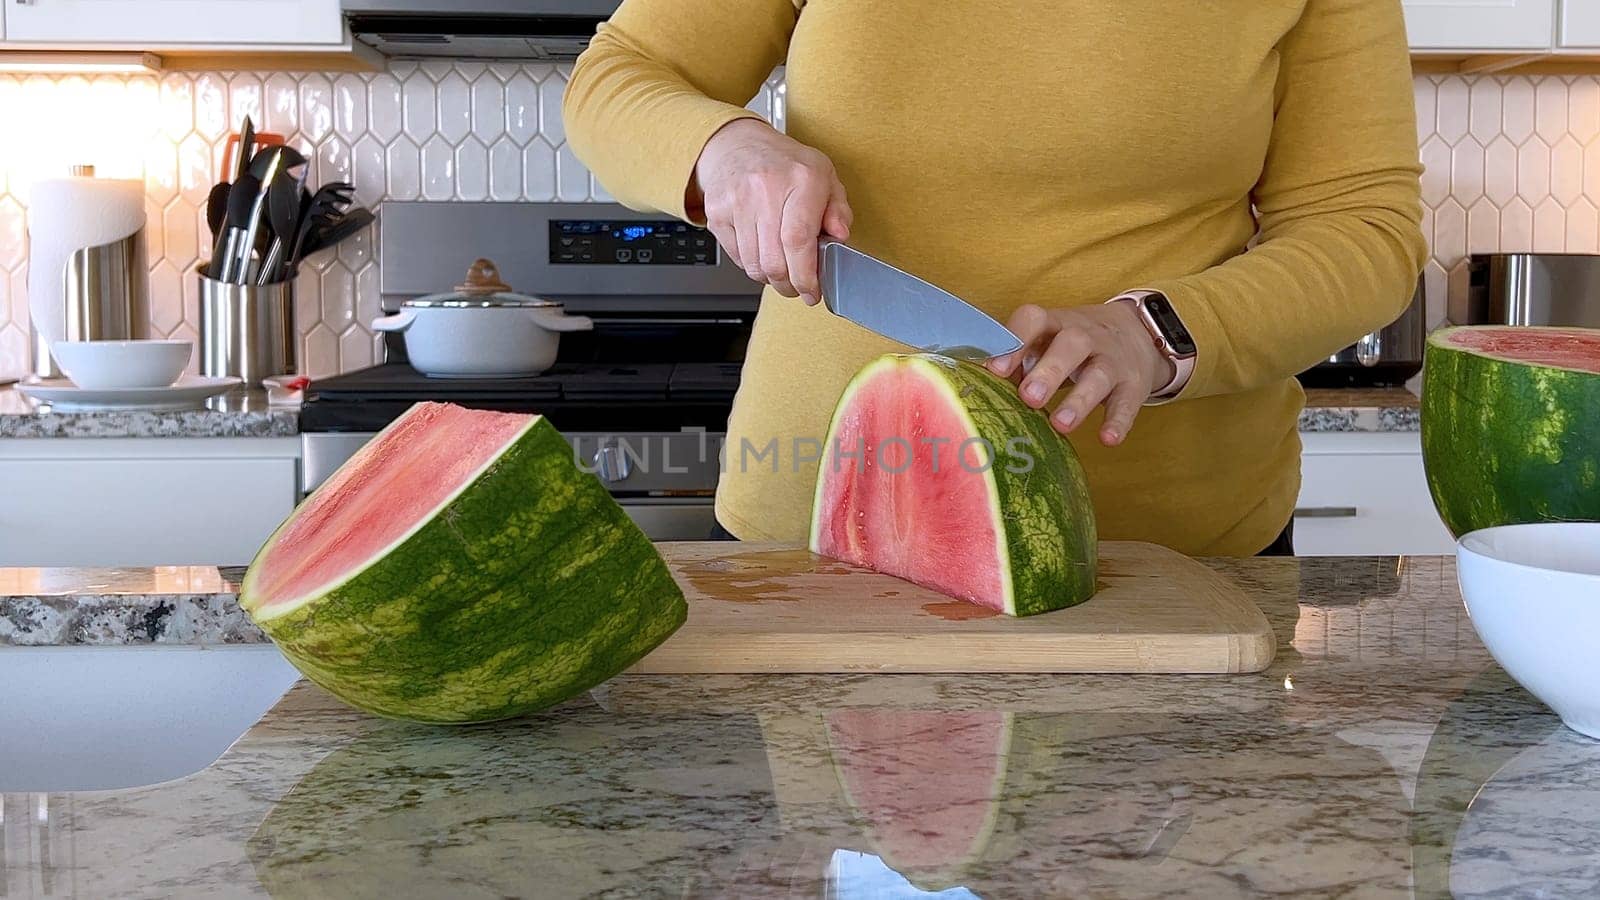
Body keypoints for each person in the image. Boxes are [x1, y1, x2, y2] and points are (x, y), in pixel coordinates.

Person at [564, 1, 1426, 557]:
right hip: (819, 527)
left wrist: (1158, 333)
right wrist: (724, 146)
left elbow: (1365, 227)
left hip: (1169, 554)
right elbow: (622, 70)